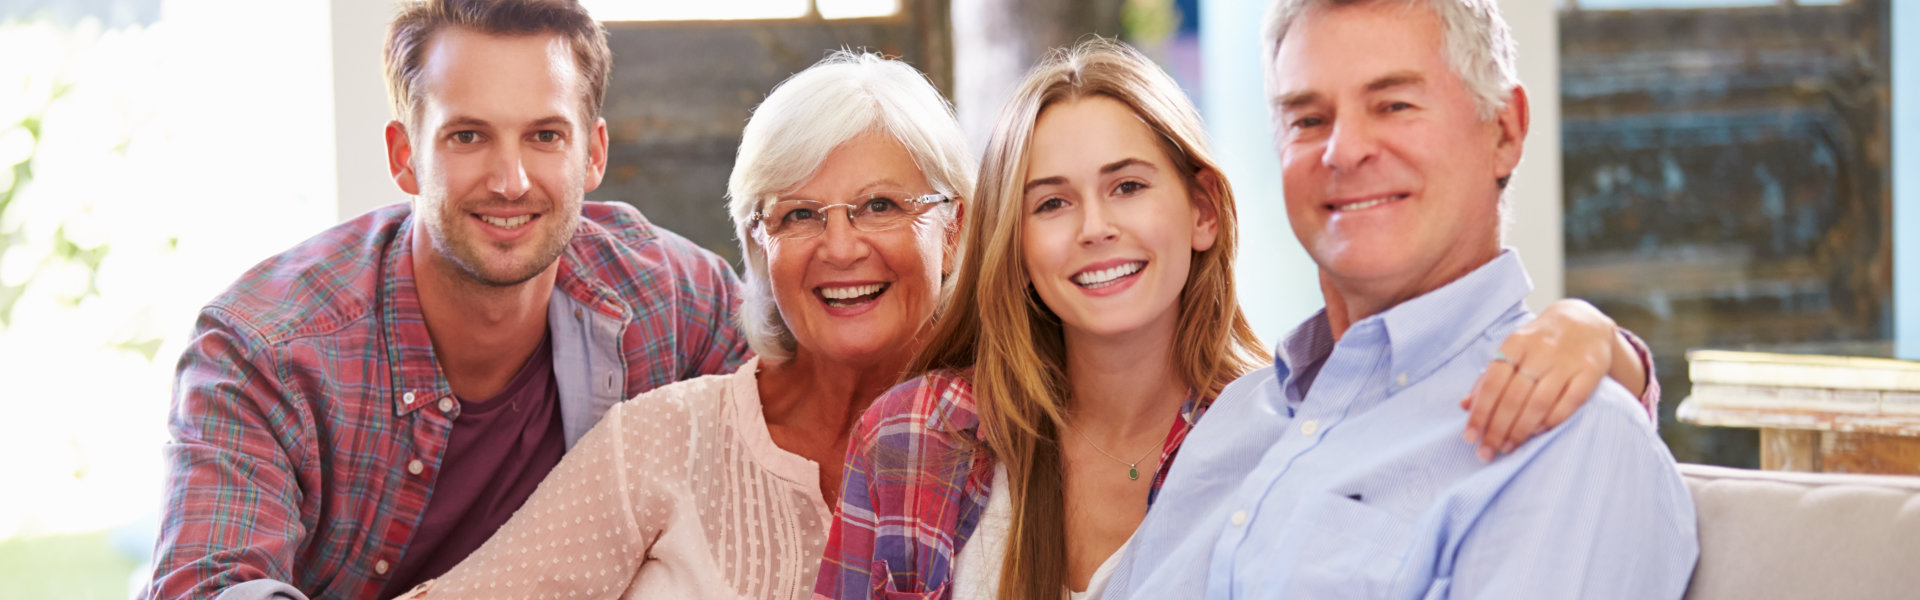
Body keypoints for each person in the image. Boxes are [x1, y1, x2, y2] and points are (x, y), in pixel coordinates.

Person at [815, 38, 1663, 600]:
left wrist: (1603, 347)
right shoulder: (1260, 429)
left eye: (1128, 186)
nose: (1095, 227)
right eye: (1051, 203)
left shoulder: (1249, 425)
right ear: (1013, 242)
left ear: (1204, 212)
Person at [143, 1, 749, 598]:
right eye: (467, 136)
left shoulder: (678, 300)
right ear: (405, 156)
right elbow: (210, 589)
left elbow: (802, 474)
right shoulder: (264, 350)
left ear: (592, 153)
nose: (510, 181)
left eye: (544, 135)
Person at [1103, 1, 1699, 598]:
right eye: (1308, 119)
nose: (1344, 149)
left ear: (1505, 131)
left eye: (1394, 105)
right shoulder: (1232, 418)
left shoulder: (1571, 438)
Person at [390, 50, 973, 599]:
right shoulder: (663, 438)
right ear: (758, 247)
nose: (840, 248)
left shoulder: (1023, 443)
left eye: (881, 206)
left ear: (952, 230)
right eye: (799, 215)